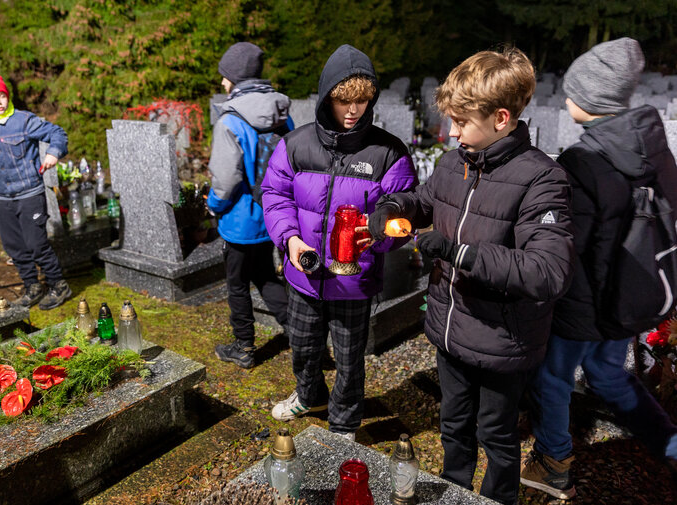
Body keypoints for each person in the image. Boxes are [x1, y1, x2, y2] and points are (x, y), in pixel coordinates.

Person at [368, 47, 574, 505]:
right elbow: (424, 200)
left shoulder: (543, 179)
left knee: (497, 436)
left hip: (503, 339)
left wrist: (460, 253)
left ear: (502, 117)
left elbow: (548, 272)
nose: (452, 131)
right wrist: (394, 208)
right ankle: (452, 491)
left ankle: (496, 499)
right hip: (450, 327)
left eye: (462, 121)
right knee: (453, 424)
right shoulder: (454, 161)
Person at [520, 37, 677, 500]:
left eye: (572, 92)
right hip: (632, 292)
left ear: (591, 100)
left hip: (583, 301)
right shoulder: (655, 150)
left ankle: (553, 462)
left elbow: (568, 244)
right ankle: (671, 443)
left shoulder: (583, 161)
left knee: (553, 378)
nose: (566, 99)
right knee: (609, 375)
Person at [262, 44, 418, 440]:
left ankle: (344, 423)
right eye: (343, 100)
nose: (353, 110)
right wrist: (290, 240)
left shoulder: (389, 153)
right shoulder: (295, 144)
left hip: (354, 280)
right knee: (302, 346)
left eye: (363, 101)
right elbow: (275, 196)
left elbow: (400, 216)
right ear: (326, 96)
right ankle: (308, 395)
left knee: (349, 359)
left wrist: (378, 238)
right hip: (304, 273)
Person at [208, 42, 291, 369]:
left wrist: (213, 205)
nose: (222, 84)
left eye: (225, 77)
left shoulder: (230, 120)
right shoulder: (283, 115)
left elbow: (226, 181)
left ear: (234, 78)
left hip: (240, 220)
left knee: (238, 284)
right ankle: (301, 335)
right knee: (267, 277)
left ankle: (243, 347)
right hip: (273, 215)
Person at [0, 73, 71, 310]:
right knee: (14, 246)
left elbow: (58, 134)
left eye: (2, 96)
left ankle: (58, 285)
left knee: (36, 243)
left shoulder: (23, 121)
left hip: (29, 194)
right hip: (2, 198)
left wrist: (53, 152)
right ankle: (32, 286)